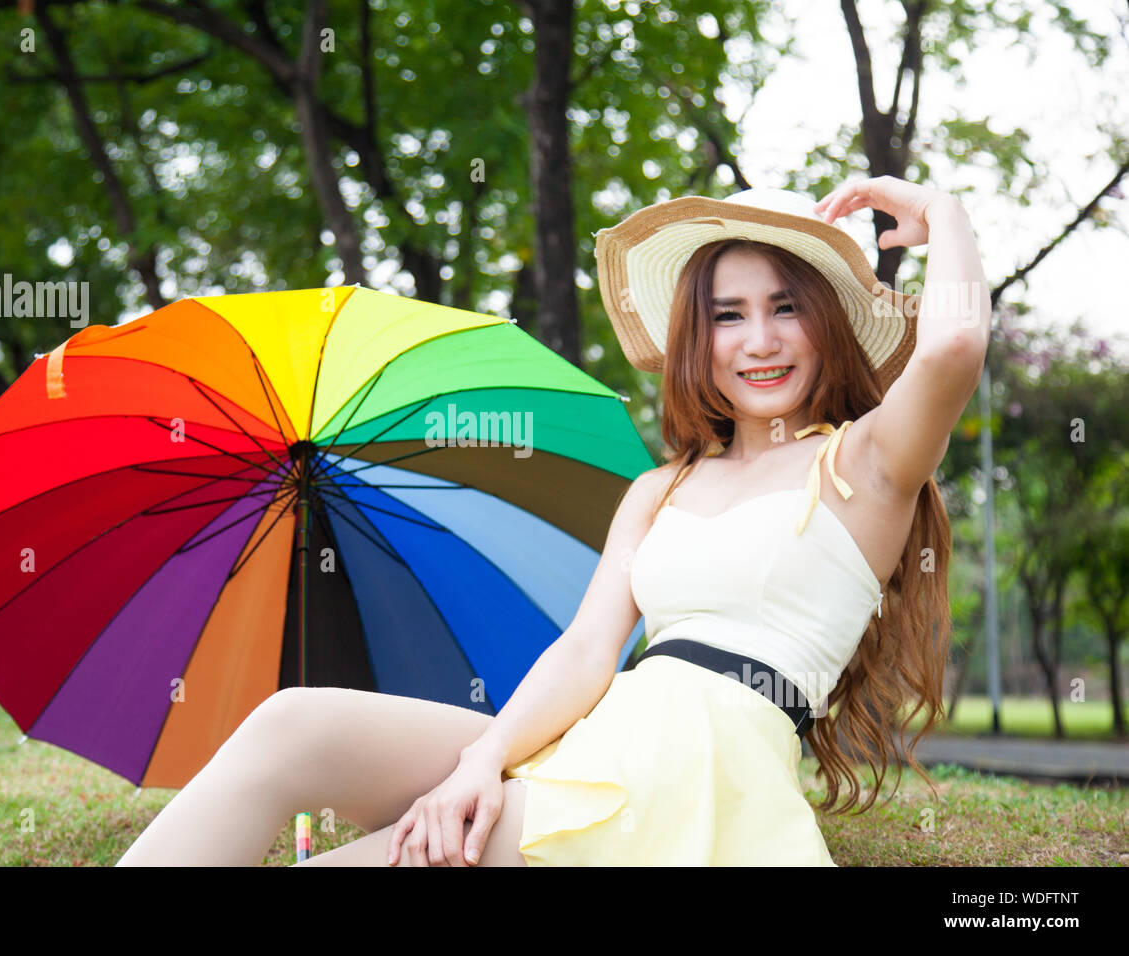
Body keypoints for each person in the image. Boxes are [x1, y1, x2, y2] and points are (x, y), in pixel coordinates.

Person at [115, 175, 990, 867]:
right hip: (604, 729)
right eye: (728, 315)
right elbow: (584, 653)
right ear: (700, 336)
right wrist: (480, 762)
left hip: (690, 771)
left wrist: (940, 209)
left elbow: (951, 346)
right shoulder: (663, 487)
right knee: (290, 723)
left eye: (784, 307)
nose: (757, 340)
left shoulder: (868, 465)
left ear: (826, 320)